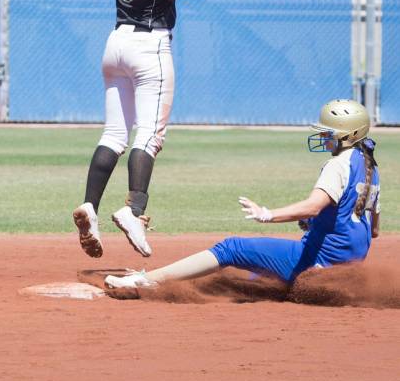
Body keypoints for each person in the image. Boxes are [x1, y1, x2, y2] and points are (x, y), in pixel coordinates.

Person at [73, 0, 240, 259]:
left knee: (114, 133)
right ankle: (134, 210)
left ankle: (89, 206)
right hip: (151, 46)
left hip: (116, 45)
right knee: (148, 135)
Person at [103, 99, 381, 292]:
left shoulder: (338, 163)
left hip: (318, 263)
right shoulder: (370, 167)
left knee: (232, 248)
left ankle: (147, 280)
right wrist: (318, 224)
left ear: (348, 135)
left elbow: (313, 206)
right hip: (347, 267)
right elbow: (372, 228)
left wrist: (268, 214)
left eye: (328, 134)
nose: (323, 138)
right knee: (251, 277)